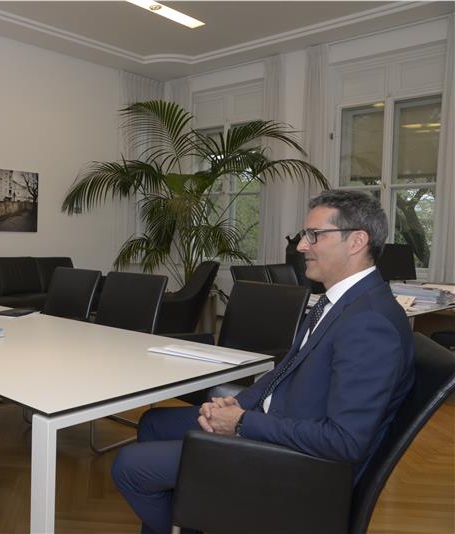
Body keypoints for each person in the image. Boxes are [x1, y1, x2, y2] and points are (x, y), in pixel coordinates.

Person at [112, 189, 414, 534]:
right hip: (276, 423)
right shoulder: (341, 302)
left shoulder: (370, 323)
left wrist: (241, 423)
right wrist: (236, 404)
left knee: (130, 467)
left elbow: (345, 441)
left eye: (314, 235)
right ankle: (191, 514)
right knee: (153, 424)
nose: (302, 246)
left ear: (357, 241)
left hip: (297, 466)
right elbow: (284, 372)